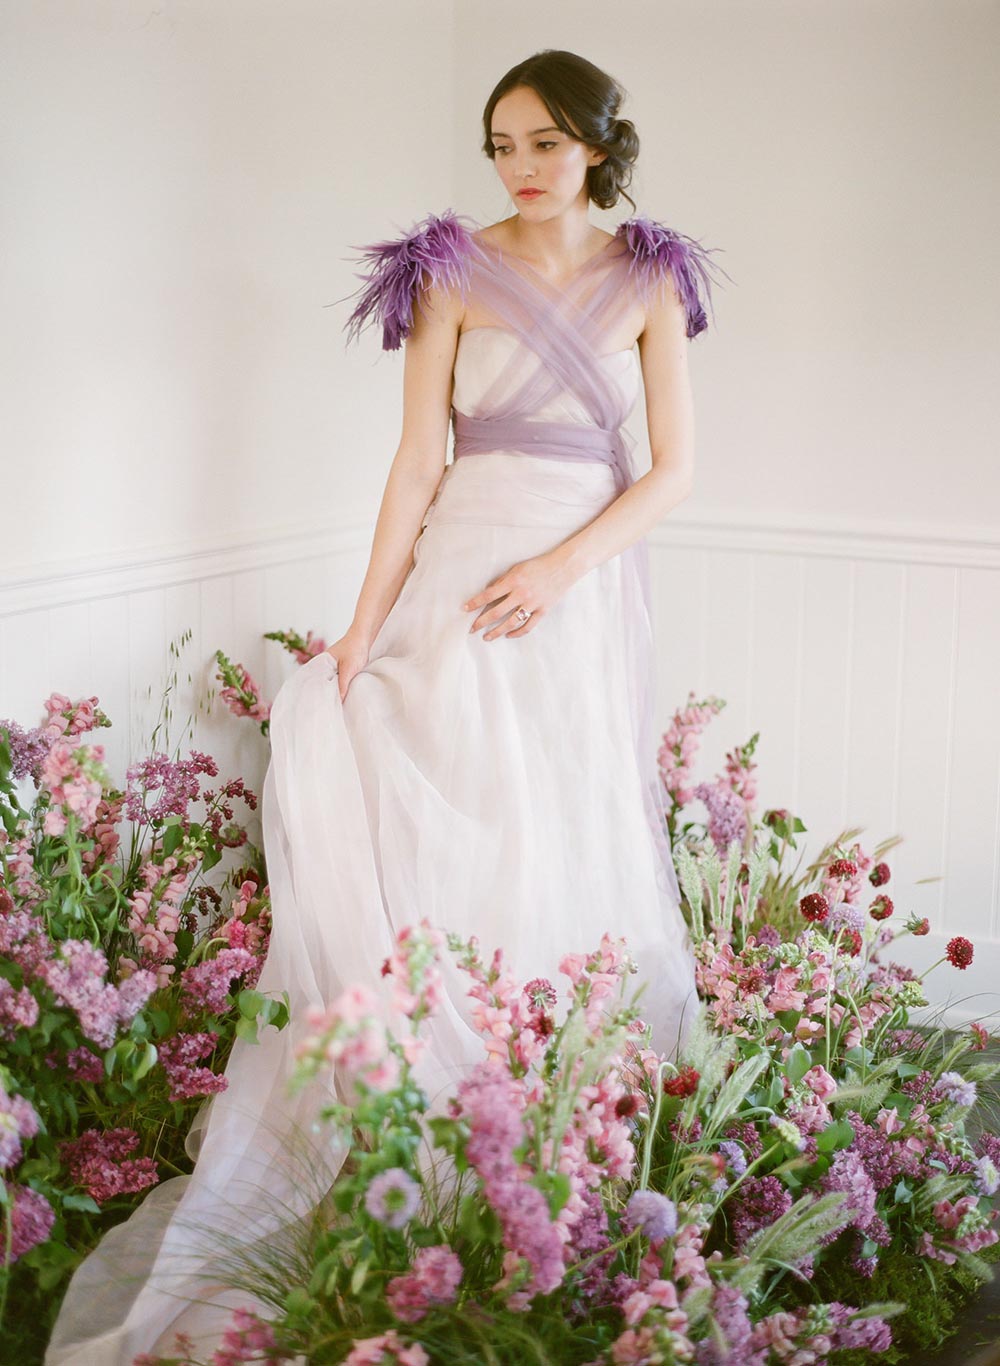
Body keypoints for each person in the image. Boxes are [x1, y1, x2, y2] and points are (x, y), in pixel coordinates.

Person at [44, 48, 726, 1366]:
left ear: (595, 144)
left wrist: (559, 567)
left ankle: (544, 1135)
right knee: (439, 827)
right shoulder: (448, 270)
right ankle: (423, 1116)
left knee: (561, 835)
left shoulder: (650, 274)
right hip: (458, 581)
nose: (521, 167)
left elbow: (676, 470)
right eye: (500, 144)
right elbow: (418, 458)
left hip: (572, 594)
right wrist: (362, 624)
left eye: (542, 141)